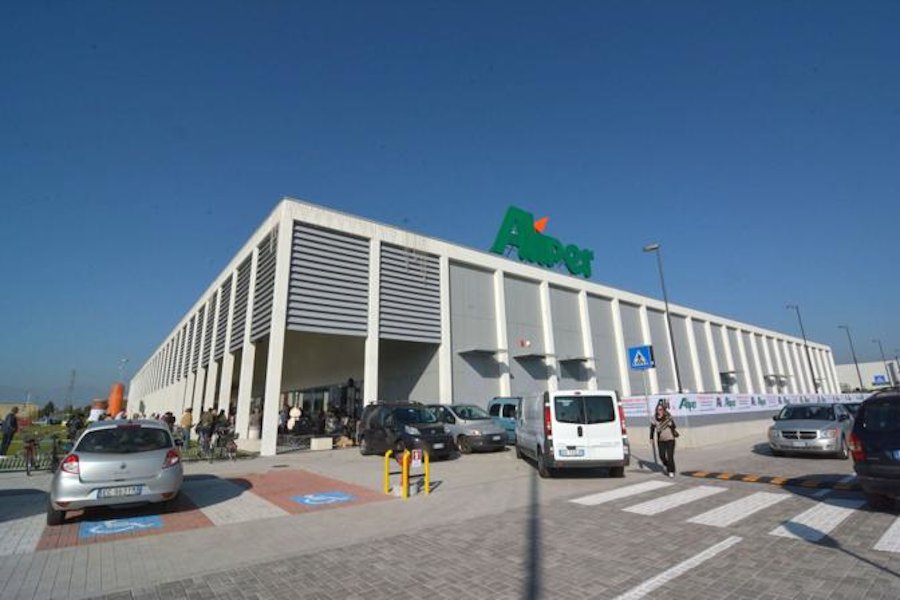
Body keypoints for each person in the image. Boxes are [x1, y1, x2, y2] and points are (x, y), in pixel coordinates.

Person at [650, 404, 679, 478]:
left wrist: (671, 424)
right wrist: (651, 438)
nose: (659, 411)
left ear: (663, 410)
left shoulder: (668, 417)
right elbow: (652, 428)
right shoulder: (654, 418)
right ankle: (668, 465)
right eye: (658, 409)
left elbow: (674, 426)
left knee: (670, 456)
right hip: (661, 440)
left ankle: (671, 471)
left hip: (670, 439)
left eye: (661, 409)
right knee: (662, 456)